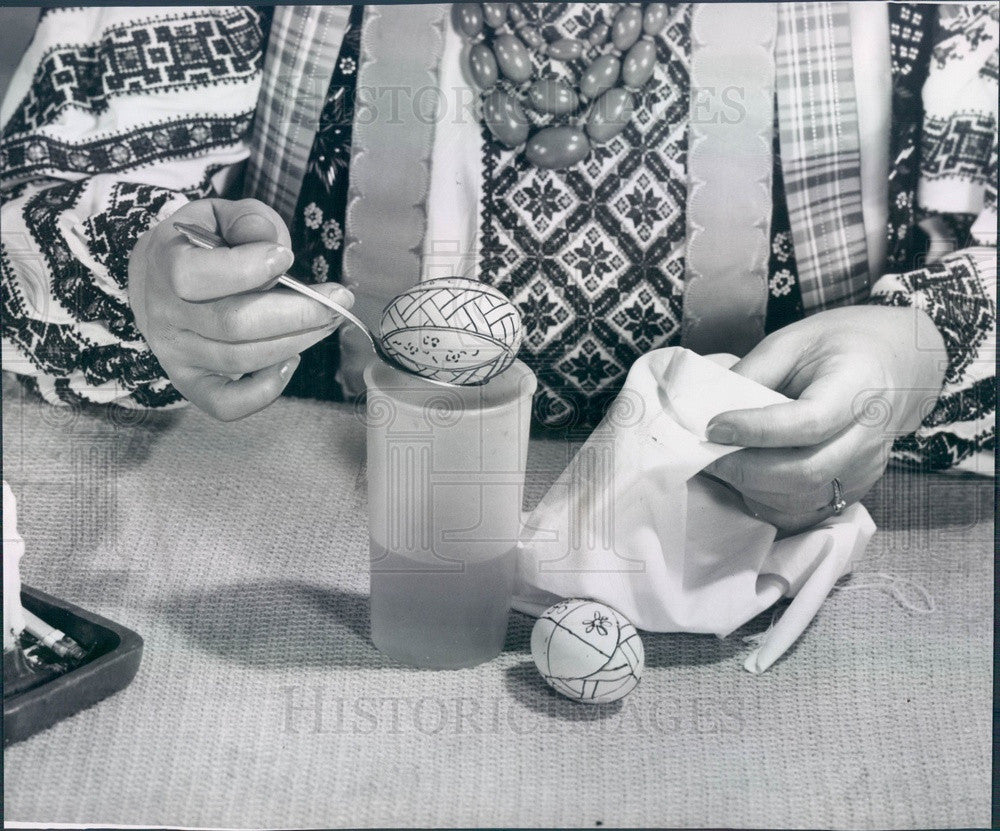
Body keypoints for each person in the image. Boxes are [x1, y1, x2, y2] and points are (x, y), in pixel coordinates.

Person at [1, 3, 995, 534]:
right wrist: (143, 275)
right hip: (302, 542)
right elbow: (29, 217)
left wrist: (923, 348)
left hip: (774, 575)